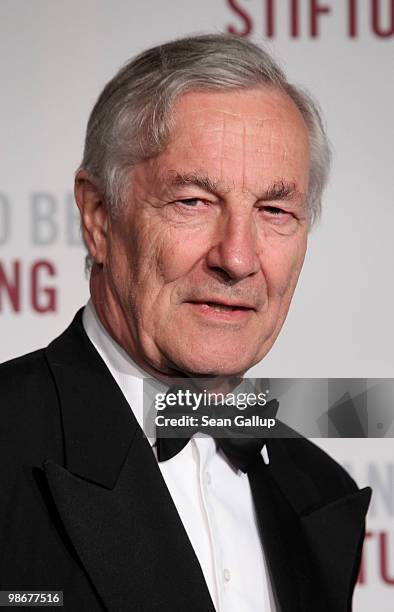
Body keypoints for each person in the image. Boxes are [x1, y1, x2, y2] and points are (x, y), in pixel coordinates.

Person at [0, 34, 371, 611]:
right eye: (193, 202)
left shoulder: (320, 487)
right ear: (98, 217)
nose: (238, 258)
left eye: (275, 211)